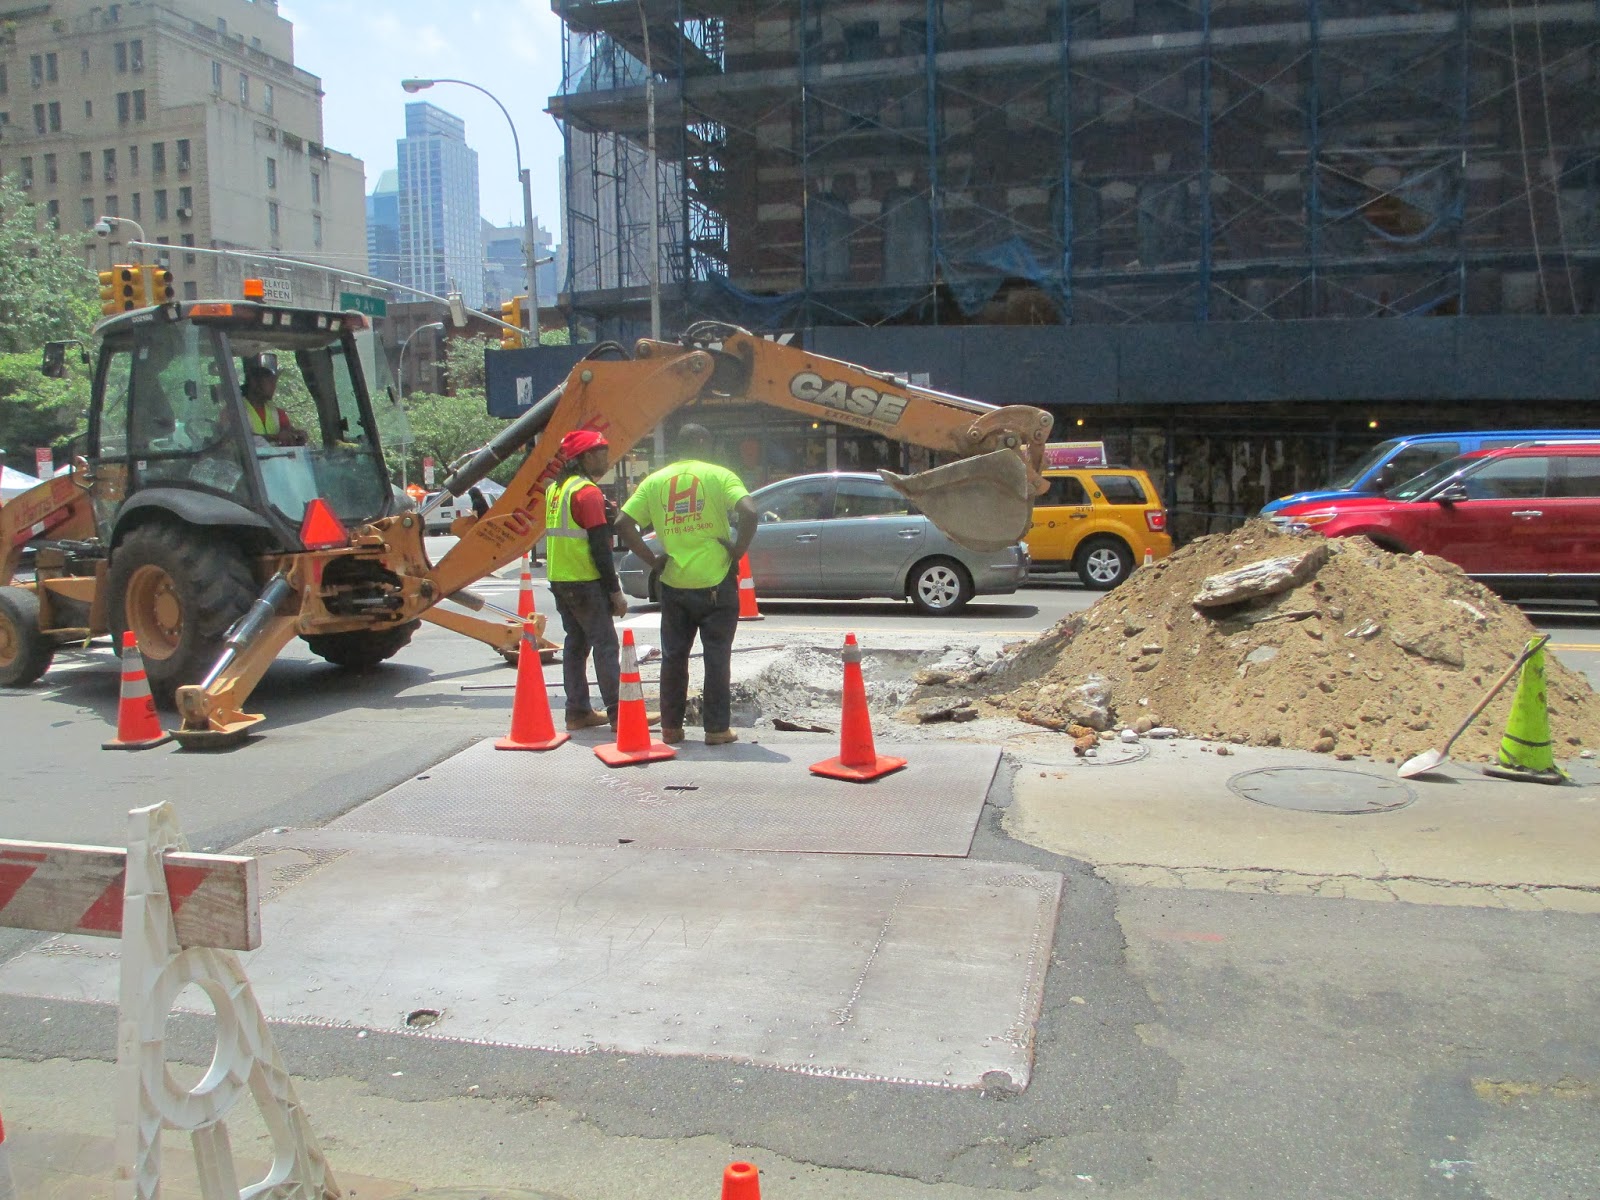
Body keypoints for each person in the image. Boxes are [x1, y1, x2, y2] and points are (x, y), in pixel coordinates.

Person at [617, 423, 758, 746]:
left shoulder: (654, 482)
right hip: (715, 583)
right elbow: (750, 511)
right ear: (702, 443)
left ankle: (671, 729)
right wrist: (737, 551)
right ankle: (716, 729)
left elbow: (623, 523)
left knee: (674, 657)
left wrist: (653, 560)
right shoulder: (720, 475)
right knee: (717, 657)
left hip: (673, 583)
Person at [545, 428, 628, 731]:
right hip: (584, 581)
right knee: (606, 645)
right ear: (586, 456)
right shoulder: (587, 493)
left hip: (560, 579)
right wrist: (615, 592)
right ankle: (620, 715)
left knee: (576, 644)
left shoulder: (557, 490)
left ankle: (577, 711)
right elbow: (600, 549)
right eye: (601, 451)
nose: (607, 457)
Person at [242, 361, 307, 447]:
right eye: (270, 382)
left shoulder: (278, 413)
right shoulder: (233, 411)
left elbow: (287, 429)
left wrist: (295, 437)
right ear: (255, 384)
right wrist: (275, 437)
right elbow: (236, 439)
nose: (274, 387)